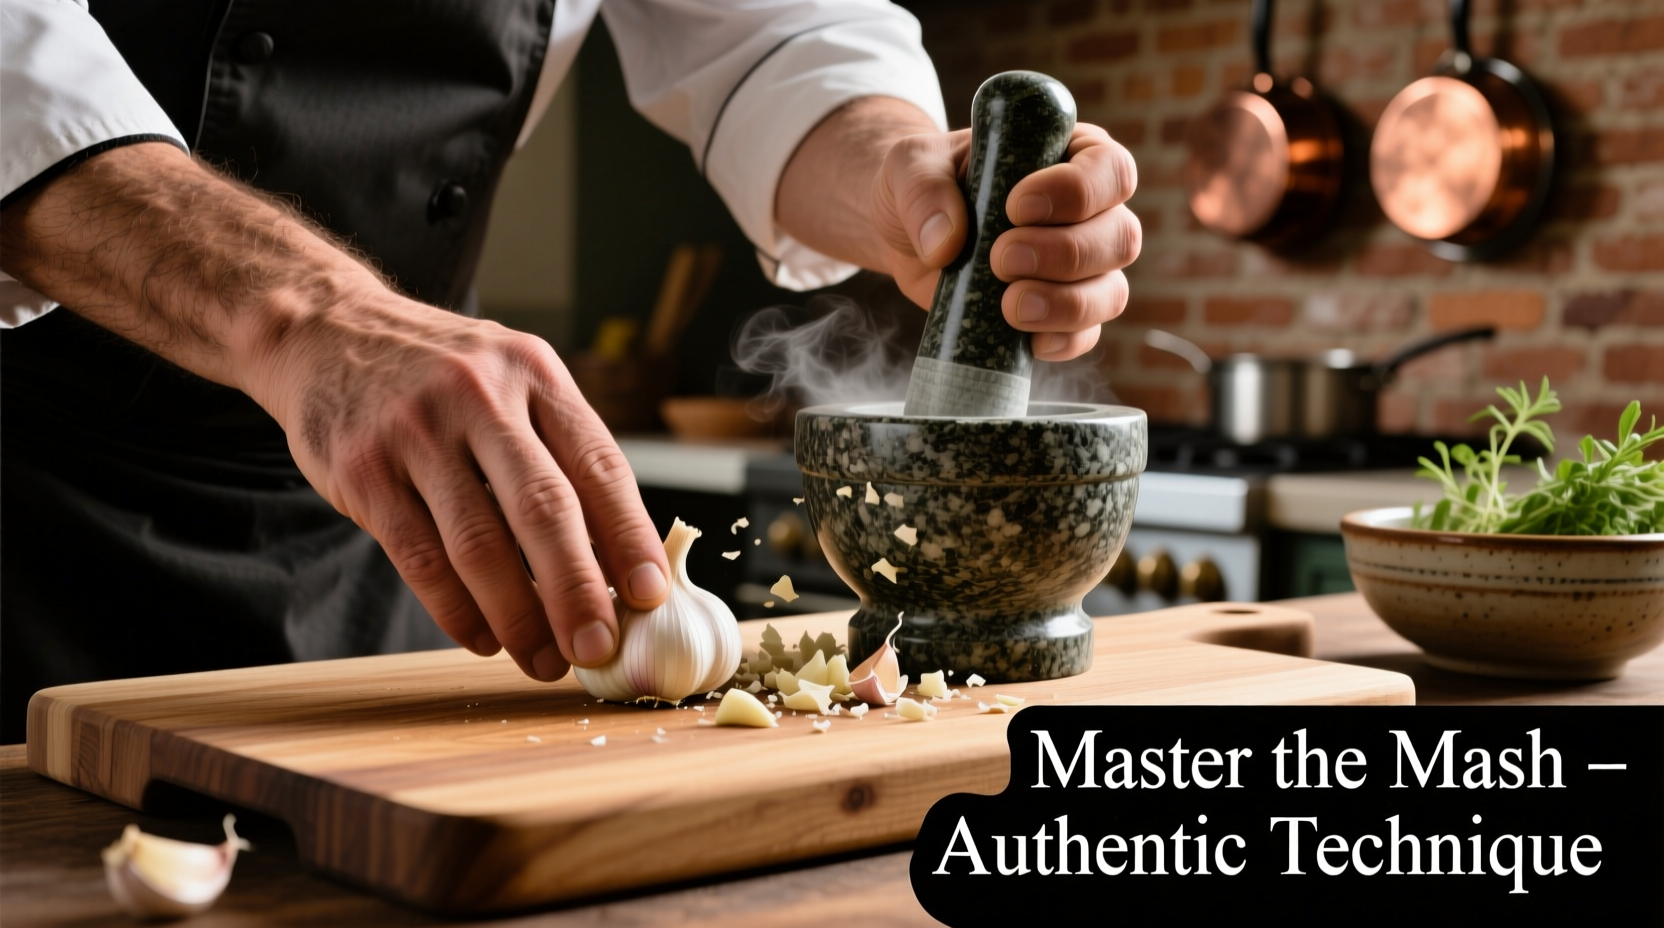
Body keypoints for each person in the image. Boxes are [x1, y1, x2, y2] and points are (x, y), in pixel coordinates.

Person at [0, 0, 1140, 740]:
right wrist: (310, 318)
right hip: (36, 495)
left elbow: (773, 36)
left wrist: (904, 175)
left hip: (395, 514)